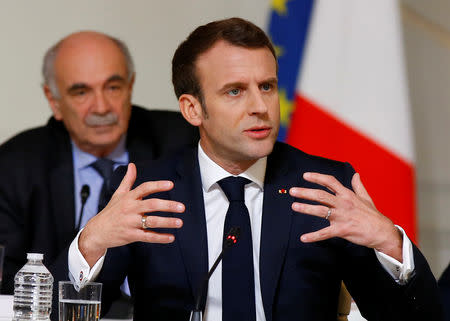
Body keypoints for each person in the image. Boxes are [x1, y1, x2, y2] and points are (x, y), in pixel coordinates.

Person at [69, 18, 442, 320]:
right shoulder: (148, 189)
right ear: (192, 109)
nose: (260, 106)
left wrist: (391, 243)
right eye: (235, 91)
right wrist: (90, 244)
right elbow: (67, 311)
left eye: (266, 86)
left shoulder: (323, 187)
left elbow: (414, 317)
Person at [0, 31, 198, 317]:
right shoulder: (14, 167)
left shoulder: (184, 142)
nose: (102, 107)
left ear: (130, 86)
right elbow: (9, 291)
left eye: (113, 87)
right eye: (81, 92)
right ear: (53, 100)